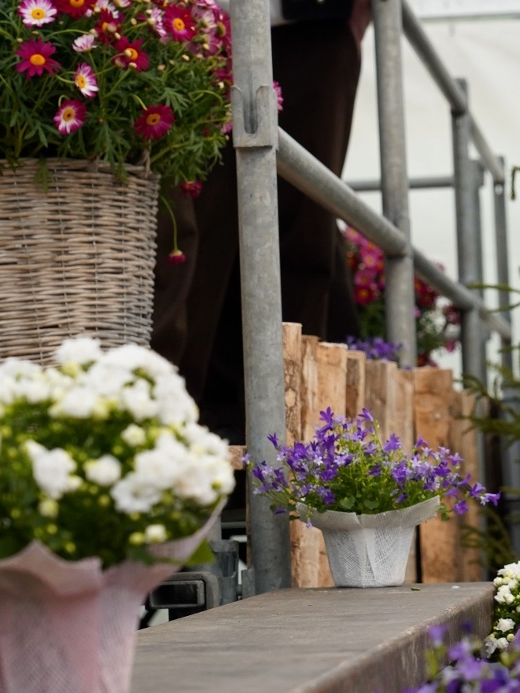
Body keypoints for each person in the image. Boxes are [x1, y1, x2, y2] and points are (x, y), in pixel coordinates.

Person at [152, 1, 371, 441]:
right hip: (194, 28)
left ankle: (294, 439)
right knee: (196, 235)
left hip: (309, 24)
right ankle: (189, 430)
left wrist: (356, 17)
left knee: (303, 235)